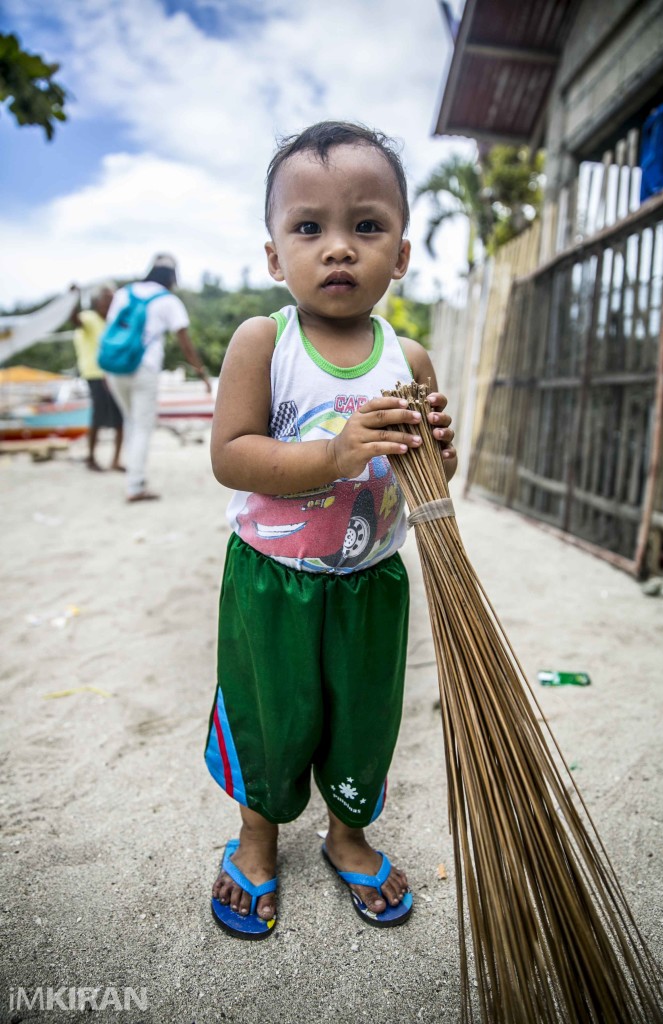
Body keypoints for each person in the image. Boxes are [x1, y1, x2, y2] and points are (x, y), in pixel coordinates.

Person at [204, 121, 457, 940]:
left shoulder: (408, 358)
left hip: (370, 584)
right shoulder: (262, 342)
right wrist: (338, 454)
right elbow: (234, 457)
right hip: (272, 581)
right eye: (309, 227)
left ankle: (347, 836)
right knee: (272, 713)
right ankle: (257, 838)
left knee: (364, 716)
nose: (338, 248)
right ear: (276, 256)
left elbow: (425, 485)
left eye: (367, 226)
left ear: (403, 254)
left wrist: (442, 458)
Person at [105, 254, 211, 503]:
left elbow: (109, 329)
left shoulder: (124, 293)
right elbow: (184, 341)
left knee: (131, 421)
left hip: (114, 367)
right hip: (144, 368)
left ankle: (133, 474)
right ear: (172, 276)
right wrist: (200, 371)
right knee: (142, 426)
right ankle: (135, 485)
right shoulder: (167, 300)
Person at [72, 284, 124, 472]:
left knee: (120, 419)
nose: (111, 302)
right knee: (98, 417)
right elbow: (74, 320)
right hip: (94, 374)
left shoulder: (113, 320)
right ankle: (91, 458)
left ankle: (116, 460)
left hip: (114, 374)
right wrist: (73, 299)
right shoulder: (89, 317)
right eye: (107, 298)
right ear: (97, 301)